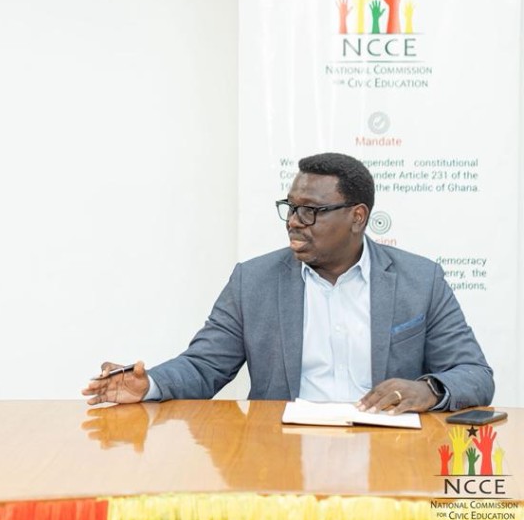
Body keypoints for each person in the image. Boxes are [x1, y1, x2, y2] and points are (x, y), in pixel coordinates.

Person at [83, 153, 493, 414]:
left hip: (389, 450)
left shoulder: (420, 280)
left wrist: (429, 390)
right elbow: (205, 365)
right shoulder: (253, 281)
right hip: (282, 449)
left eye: (311, 211)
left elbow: (475, 374)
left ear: (357, 217)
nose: (294, 222)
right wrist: (149, 383)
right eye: (291, 208)